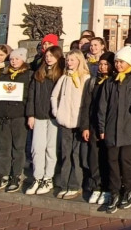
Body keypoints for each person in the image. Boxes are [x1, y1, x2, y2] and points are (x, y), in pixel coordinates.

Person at [98, 46, 131, 213]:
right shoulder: (110, 82)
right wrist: (102, 127)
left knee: (127, 161)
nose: (118, 65)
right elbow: (102, 106)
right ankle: (114, 192)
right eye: (116, 62)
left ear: (128, 62)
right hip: (111, 128)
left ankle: (129, 190)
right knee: (112, 162)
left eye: (121, 62)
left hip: (129, 129)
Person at [0, 48, 33, 193]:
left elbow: (30, 97)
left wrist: (29, 113)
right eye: (12, 59)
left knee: (18, 147)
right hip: (2, 116)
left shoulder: (28, 76)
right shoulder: (3, 75)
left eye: (17, 59)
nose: (14, 61)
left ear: (23, 60)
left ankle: (16, 175)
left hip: (19, 116)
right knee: (3, 147)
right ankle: (3, 175)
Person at [51, 50, 91, 200]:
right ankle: (64, 184)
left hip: (79, 122)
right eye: (68, 60)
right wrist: (57, 111)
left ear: (79, 61)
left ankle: (75, 185)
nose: (69, 63)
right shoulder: (64, 77)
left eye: (72, 60)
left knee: (76, 154)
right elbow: (54, 95)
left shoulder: (85, 78)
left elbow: (87, 101)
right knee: (66, 153)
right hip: (65, 121)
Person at [25, 45, 64, 196]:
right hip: (39, 115)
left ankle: (48, 177)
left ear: (58, 57)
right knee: (37, 148)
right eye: (47, 55)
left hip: (54, 117)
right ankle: (38, 177)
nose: (48, 58)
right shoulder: (38, 73)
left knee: (51, 148)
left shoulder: (61, 74)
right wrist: (31, 114)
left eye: (52, 56)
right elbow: (32, 95)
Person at [79, 51, 115, 205]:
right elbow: (86, 105)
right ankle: (96, 186)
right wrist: (85, 126)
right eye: (100, 63)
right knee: (94, 157)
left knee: (108, 158)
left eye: (106, 64)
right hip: (94, 125)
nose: (102, 66)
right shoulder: (92, 82)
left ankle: (107, 188)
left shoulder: (115, 81)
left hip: (109, 126)